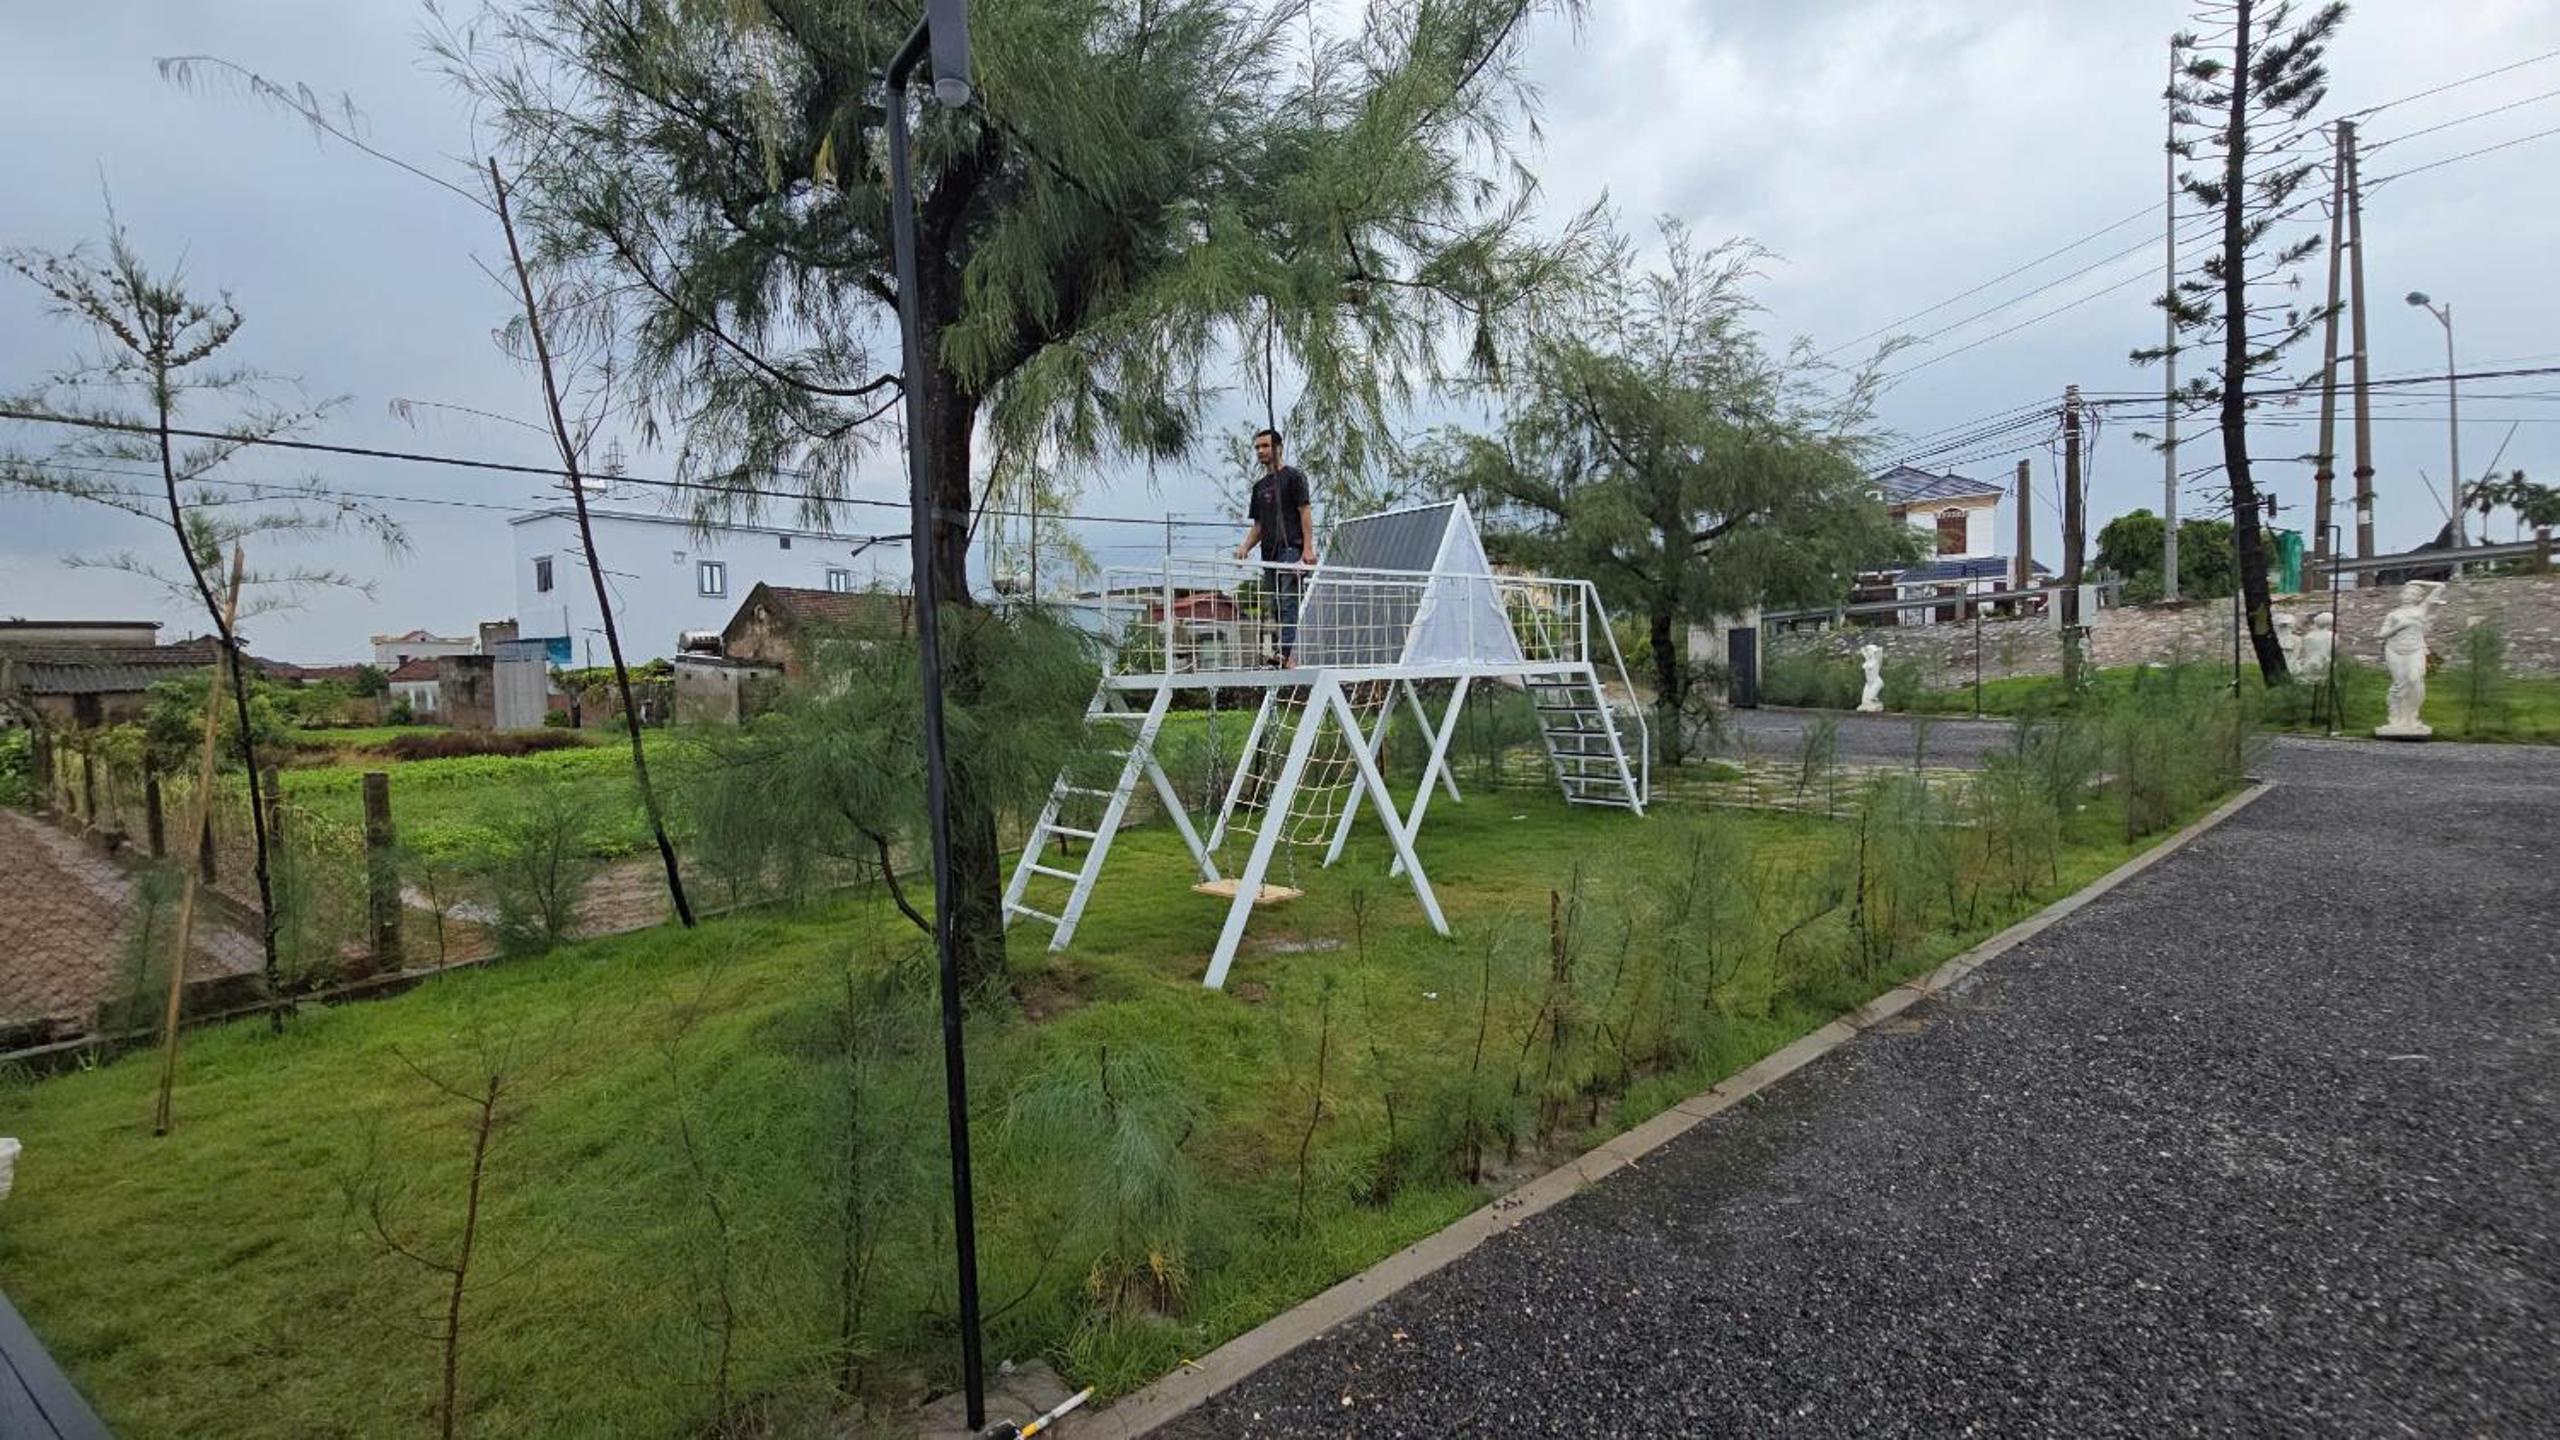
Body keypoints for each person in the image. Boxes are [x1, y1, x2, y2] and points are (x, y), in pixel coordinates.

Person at [1233, 428, 1316, 666]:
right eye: (1257, 447)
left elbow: (1304, 511)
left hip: (1290, 549)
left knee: (1289, 600)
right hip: (1268, 553)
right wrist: (1245, 547)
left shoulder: (1293, 477)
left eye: (1265, 446)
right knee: (1276, 604)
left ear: (1278, 448)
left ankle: (1287, 653)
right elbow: (1259, 525)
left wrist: (1307, 548)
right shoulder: (1259, 487)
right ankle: (1284, 651)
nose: (1260, 451)